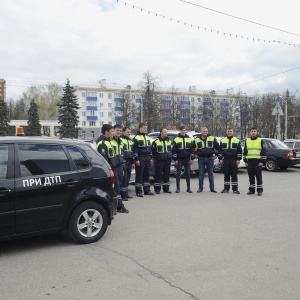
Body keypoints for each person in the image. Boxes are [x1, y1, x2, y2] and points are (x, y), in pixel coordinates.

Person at [96, 124, 129, 213]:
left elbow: (116, 156)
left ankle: (117, 206)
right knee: (114, 189)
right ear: (107, 132)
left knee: (117, 188)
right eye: (112, 131)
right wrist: (110, 170)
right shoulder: (103, 143)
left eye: (119, 131)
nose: (114, 133)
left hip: (116, 167)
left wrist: (120, 167)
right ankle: (117, 207)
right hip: (110, 169)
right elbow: (104, 160)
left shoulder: (111, 141)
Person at [194, 127, 219, 193]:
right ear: (201, 132)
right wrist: (195, 154)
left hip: (210, 158)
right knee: (201, 174)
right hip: (201, 158)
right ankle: (200, 188)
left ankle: (212, 188)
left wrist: (216, 155)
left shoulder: (212, 138)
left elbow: (218, 147)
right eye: (203, 131)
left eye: (206, 131)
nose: (205, 132)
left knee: (210, 173)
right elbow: (192, 148)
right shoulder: (196, 140)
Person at [132, 123, 155, 197]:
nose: (145, 129)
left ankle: (147, 190)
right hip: (141, 157)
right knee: (139, 175)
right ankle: (138, 191)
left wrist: (151, 157)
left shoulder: (147, 137)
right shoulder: (136, 138)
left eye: (146, 128)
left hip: (147, 157)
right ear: (140, 129)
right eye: (144, 128)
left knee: (146, 174)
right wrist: (137, 159)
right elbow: (134, 149)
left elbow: (150, 148)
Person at [218, 127, 242, 194]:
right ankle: (226, 189)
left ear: (233, 132)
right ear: (226, 132)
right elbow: (219, 150)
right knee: (226, 175)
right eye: (228, 131)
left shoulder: (237, 140)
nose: (229, 132)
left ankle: (235, 189)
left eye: (230, 131)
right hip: (225, 159)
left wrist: (238, 159)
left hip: (233, 160)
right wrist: (220, 159)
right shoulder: (223, 140)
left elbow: (239, 151)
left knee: (234, 175)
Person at [243, 126, 266, 196]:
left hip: (257, 161)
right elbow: (245, 151)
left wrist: (262, 161)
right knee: (251, 177)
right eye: (252, 131)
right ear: (250, 132)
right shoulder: (247, 140)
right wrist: (245, 161)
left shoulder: (260, 140)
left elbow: (264, 151)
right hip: (250, 161)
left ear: (257, 132)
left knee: (258, 177)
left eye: (254, 131)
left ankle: (259, 190)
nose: (253, 132)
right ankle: (251, 190)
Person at [172, 125, 194, 193]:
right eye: (182, 130)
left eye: (184, 130)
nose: (183, 131)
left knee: (188, 173)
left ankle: (188, 188)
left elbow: (192, 150)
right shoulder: (176, 139)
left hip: (187, 158)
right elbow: (174, 150)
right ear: (180, 131)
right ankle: (178, 188)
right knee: (178, 174)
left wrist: (192, 158)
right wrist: (175, 159)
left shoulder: (189, 139)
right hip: (179, 158)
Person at [152, 127, 172, 194]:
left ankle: (166, 189)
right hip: (159, 161)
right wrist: (155, 158)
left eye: (167, 132)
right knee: (158, 175)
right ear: (161, 133)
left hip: (167, 161)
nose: (166, 133)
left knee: (166, 175)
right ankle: (157, 189)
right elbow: (153, 152)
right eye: (165, 132)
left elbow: (170, 151)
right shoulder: (156, 141)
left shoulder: (169, 141)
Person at [120, 126, 135, 201]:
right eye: (127, 132)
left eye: (130, 132)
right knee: (124, 179)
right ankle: (123, 195)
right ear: (123, 132)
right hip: (124, 161)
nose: (129, 133)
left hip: (129, 161)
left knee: (128, 178)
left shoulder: (130, 140)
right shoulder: (121, 140)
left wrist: (133, 162)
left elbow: (131, 152)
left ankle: (126, 193)